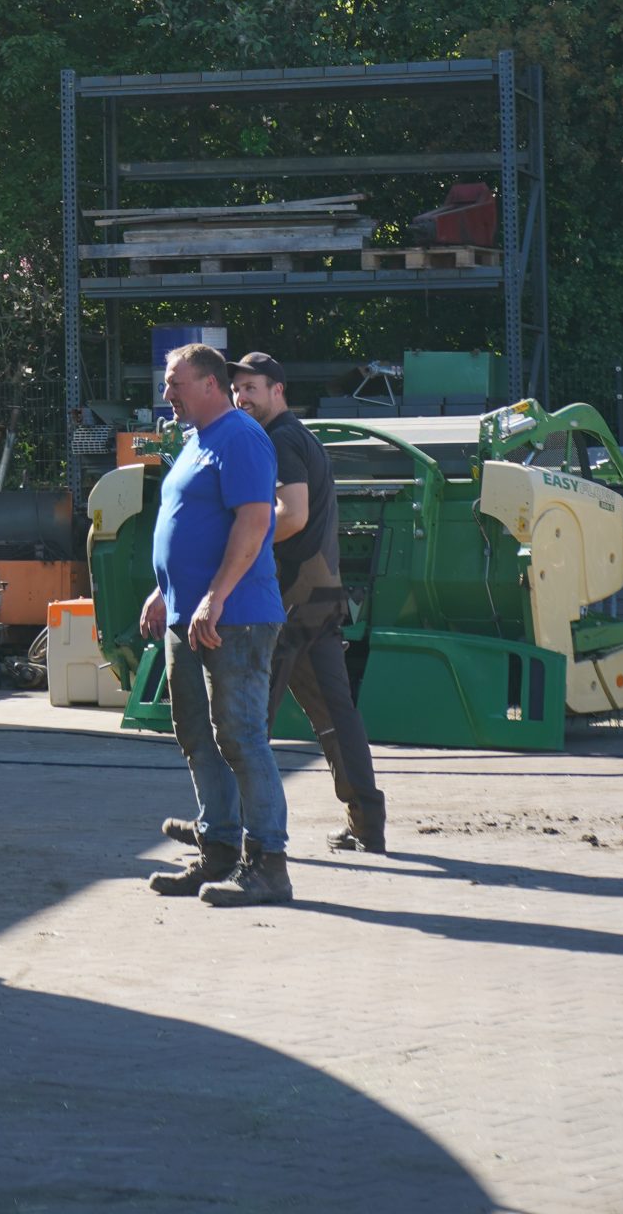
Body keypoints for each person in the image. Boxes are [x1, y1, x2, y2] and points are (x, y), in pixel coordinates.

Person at [140, 342, 292, 907]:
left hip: (236, 617)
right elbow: (193, 526)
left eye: (175, 383)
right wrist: (165, 591)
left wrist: (215, 597)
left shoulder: (242, 438)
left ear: (209, 384)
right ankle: (219, 851)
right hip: (190, 614)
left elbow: (255, 524)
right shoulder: (193, 441)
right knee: (199, 738)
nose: (167, 394)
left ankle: (269, 866)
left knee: (241, 738)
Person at [231, 351, 387, 854]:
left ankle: (234, 832)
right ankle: (367, 822)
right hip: (318, 593)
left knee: (251, 716)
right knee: (335, 712)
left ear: (278, 390)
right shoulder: (296, 436)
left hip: (288, 598)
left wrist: (241, 541)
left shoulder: (280, 439)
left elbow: (292, 514)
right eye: (237, 389)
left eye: (252, 388)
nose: (242, 397)